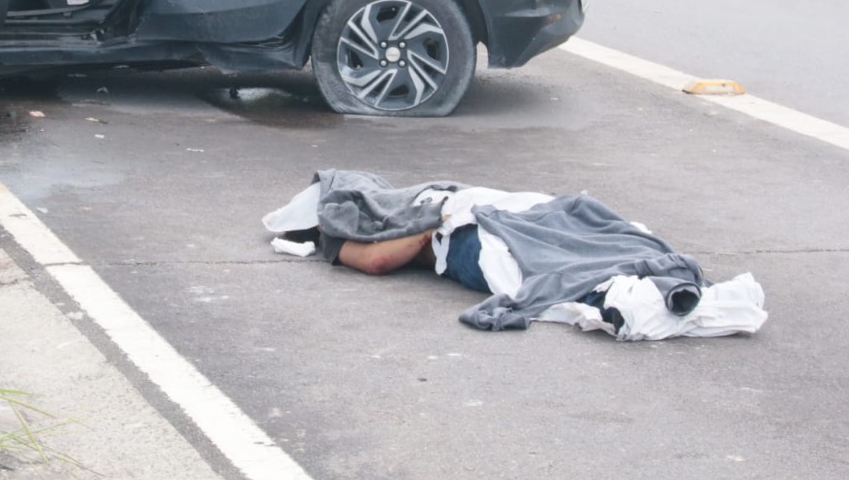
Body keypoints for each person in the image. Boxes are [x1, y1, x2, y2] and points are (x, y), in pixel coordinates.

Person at [264, 170, 768, 340]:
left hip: (486, 217)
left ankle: (635, 277)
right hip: (475, 226)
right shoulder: (338, 233)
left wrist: (441, 215)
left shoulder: (403, 199)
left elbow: (380, 259)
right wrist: (435, 222)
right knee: (558, 252)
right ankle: (639, 284)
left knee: (568, 235)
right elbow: (374, 260)